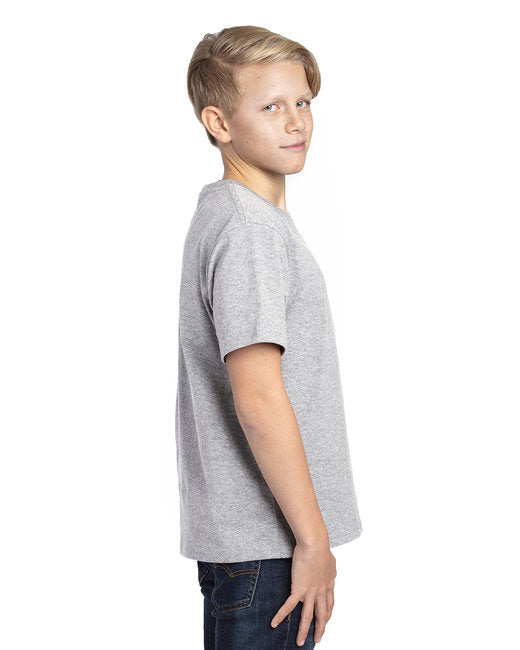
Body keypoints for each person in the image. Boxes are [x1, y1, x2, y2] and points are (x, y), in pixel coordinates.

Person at [176, 25, 363, 649]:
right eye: (271, 106)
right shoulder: (248, 229)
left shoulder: (236, 217)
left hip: (253, 549)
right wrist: (312, 539)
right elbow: (257, 398)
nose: (296, 121)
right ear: (219, 123)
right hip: (269, 546)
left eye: (302, 101)